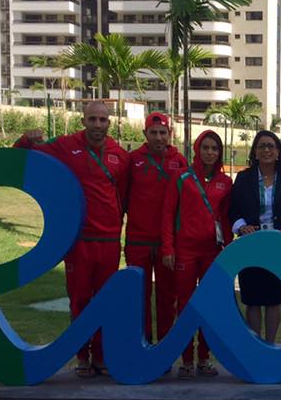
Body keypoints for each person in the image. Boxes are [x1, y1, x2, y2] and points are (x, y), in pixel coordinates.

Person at [13, 101, 130, 377]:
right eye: (92, 119)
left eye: (102, 120)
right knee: (79, 299)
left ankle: (101, 356)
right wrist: (26, 138)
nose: (97, 125)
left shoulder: (119, 156)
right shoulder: (65, 146)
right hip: (79, 239)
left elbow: (123, 197)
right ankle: (82, 356)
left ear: (109, 123)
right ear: (83, 121)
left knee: (104, 300)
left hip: (110, 240)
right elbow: (21, 155)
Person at [160, 130, 232, 378]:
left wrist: (228, 250)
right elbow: (168, 214)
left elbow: (226, 217)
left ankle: (204, 358)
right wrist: (168, 248)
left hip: (212, 252)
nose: (210, 152)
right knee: (186, 305)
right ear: (197, 149)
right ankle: (186, 359)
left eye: (214, 149)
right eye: (206, 148)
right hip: (185, 252)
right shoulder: (182, 177)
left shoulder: (225, 182)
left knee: (209, 305)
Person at [228, 130, 281, 343]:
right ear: (255, 152)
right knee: (252, 299)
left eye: (271, 146)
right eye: (262, 146)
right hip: (251, 245)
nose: (267, 150)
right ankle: (255, 345)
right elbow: (233, 210)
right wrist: (242, 227)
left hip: (278, 246)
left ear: (278, 152)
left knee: (273, 299)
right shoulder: (243, 179)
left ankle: (270, 344)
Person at [125, 112, 187, 347]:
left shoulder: (179, 161)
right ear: (145, 134)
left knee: (166, 296)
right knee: (138, 297)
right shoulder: (133, 160)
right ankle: (140, 345)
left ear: (169, 134)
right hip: (138, 240)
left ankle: (164, 347)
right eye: (154, 133)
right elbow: (123, 196)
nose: (159, 137)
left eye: (163, 133)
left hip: (167, 244)